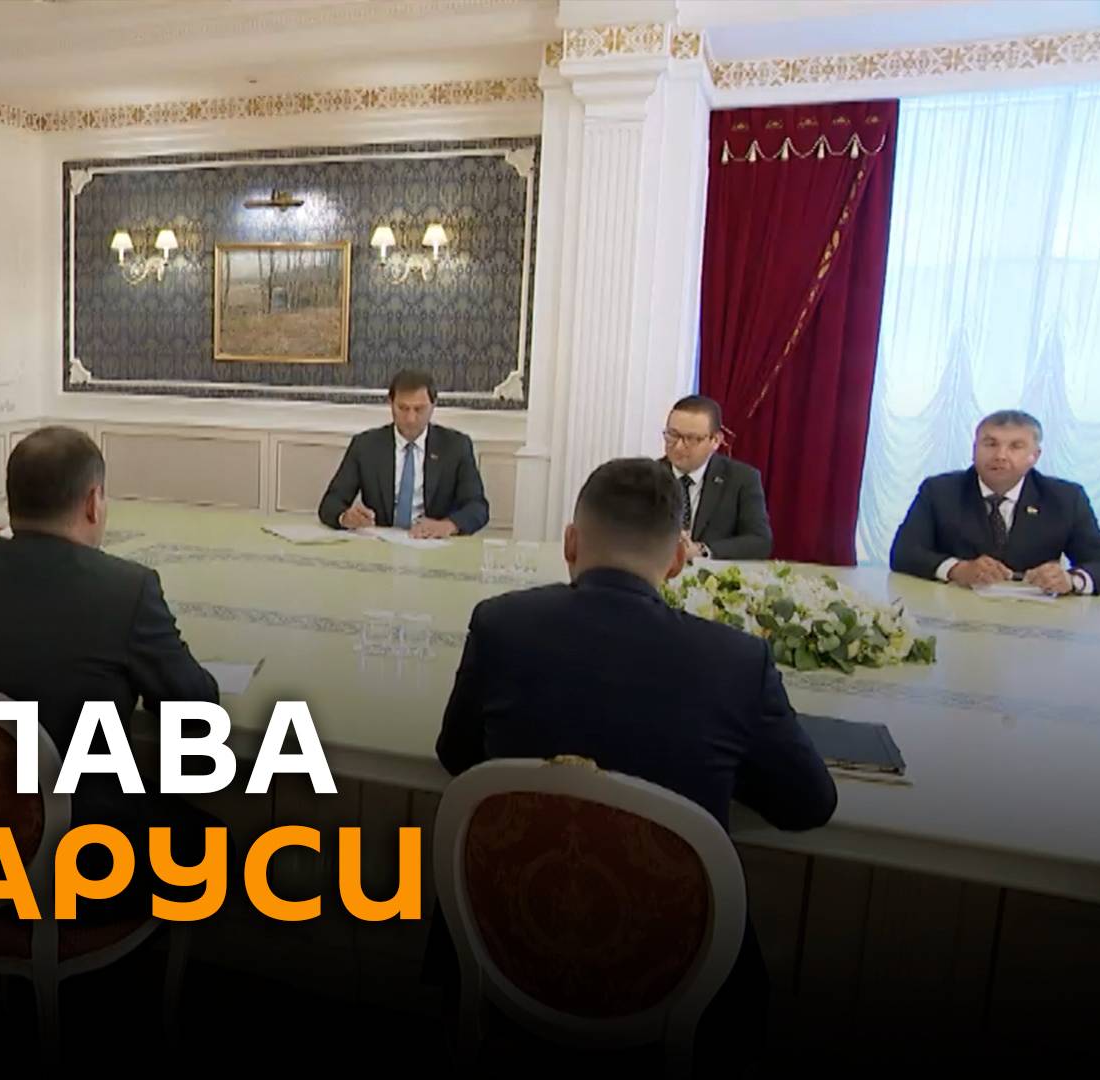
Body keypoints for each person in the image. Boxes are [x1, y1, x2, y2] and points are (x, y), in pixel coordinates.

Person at [434, 457, 836, 1068]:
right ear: (676, 559)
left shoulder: (501, 624)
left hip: (502, 939)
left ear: (570, 543)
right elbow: (809, 804)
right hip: (675, 970)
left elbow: (457, 756)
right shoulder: (735, 662)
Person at [0, 425, 220, 905]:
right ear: (91, 503)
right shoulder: (126, 589)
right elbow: (195, 709)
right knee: (214, 842)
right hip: (84, 859)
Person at [890, 409, 1100, 595]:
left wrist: (1071, 580)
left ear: (1034, 456)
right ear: (974, 450)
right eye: (990, 444)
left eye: (1015, 446)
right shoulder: (939, 491)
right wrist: (958, 569)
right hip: (954, 613)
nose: (1000, 455)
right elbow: (904, 552)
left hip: (1036, 622)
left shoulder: (1065, 498)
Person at [317, 369, 490, 538]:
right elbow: (330, 503)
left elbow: (477, 507)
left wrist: (448, 525)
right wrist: (346, 517)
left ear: (433, 405)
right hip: (380, 544)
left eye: (419, 409)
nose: (410, 419)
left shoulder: (455, 446)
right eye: (403, 408)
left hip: (433, 545)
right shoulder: (366, 446)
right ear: (390, 403)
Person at [659, 394, 772, 561]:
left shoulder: (742, 479)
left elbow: (760, 541)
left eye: (691, 439)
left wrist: (702, 551)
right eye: (672, 435)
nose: (679, 446)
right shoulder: (644, 477)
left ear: (716, 440)